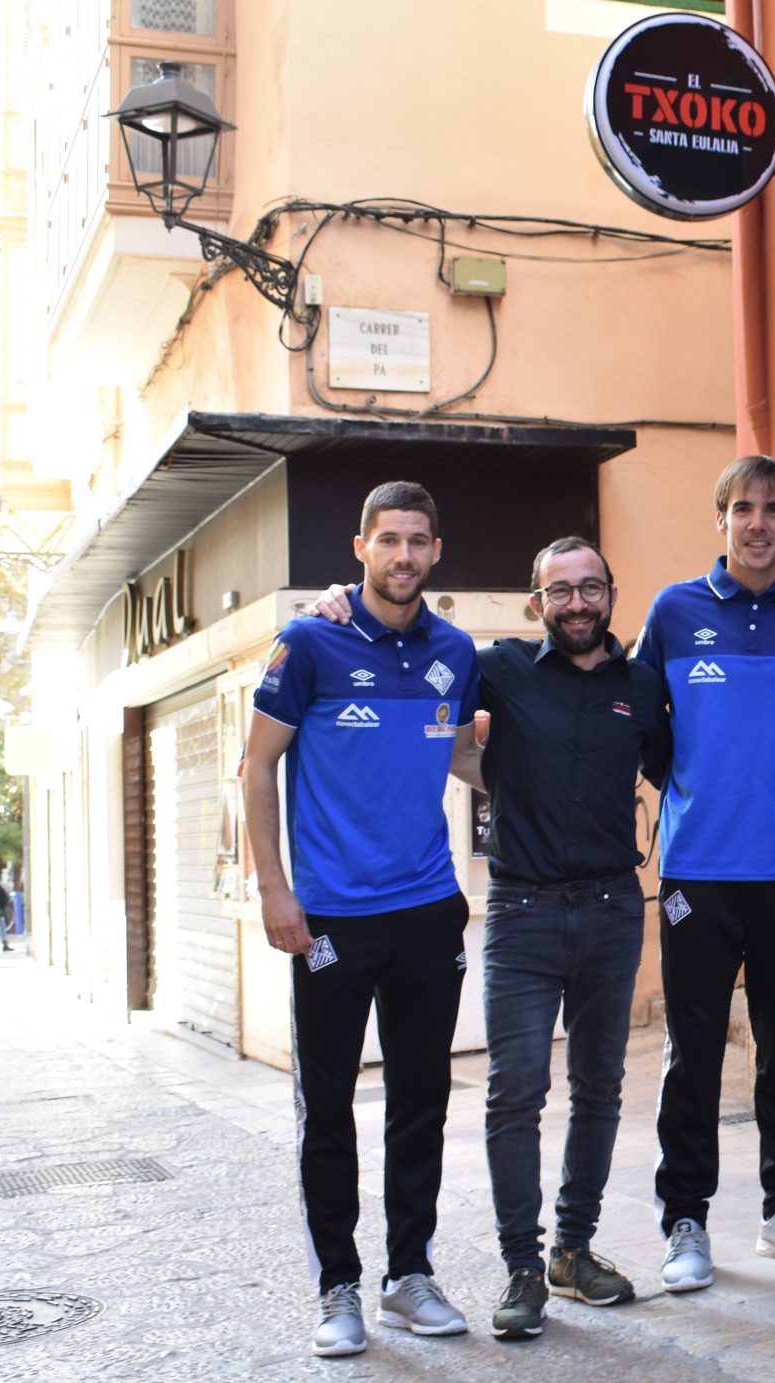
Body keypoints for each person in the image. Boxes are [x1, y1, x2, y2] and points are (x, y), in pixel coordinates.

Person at [311, 535, 671, 1339]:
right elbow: (409, 655)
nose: (576, 602)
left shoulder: (642, 685)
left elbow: (672, 766)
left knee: (600, 1087)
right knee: (516, 1092)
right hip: (521, 911)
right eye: (559, 590)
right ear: (535, 601)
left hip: (613, 907)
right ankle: (521, 1267)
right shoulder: (497, 667)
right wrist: (343, 602)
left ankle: (572, 1252)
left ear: (611, 595)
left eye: (590, 587)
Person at [243, 480, 481, 1358]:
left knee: (421, 1102)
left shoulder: (455, 650)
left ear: (436, 551)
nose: (404, 555)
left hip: (427, 911)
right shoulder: (309, 641)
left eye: (418, 540)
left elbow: (461, 756)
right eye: (389, 539)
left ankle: (408, 1275)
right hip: (332, 918)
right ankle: (336, 1285)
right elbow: (255, 767)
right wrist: (276, 889)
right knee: (329, 1108)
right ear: (361, 548)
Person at [635, 454, 775, 1292]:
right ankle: (685, 1221)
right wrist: (692, 781)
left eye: (773, 509)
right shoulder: (674, 610)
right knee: (691, 1050)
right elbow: (642, 719)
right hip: (700, 866)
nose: (758, 523)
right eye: (743, 508)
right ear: (720, 517)